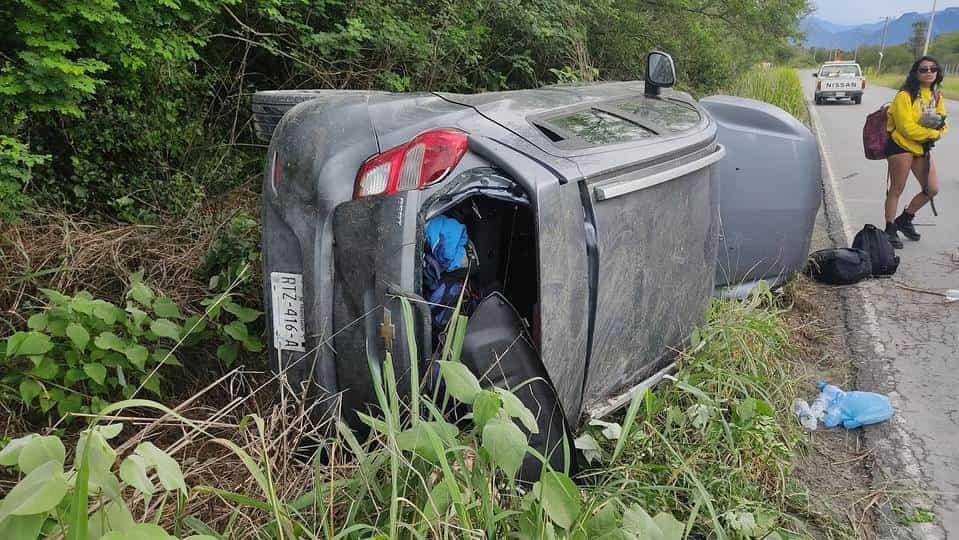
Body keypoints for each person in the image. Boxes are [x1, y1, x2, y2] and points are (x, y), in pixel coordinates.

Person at [883, 56, 948, 249]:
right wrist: (931, 134)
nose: (929, 72)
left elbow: (943, 124)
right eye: (923, 69)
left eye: (933, 69)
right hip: (901, 146)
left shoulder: (936, 96)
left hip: (922, 148)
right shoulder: (905, 95)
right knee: (896, 189)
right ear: (915, 73)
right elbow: (905, 128)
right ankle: (889, 228)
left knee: (932, 189)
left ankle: (905, 219)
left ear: (937, 72)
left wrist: (936, 134)